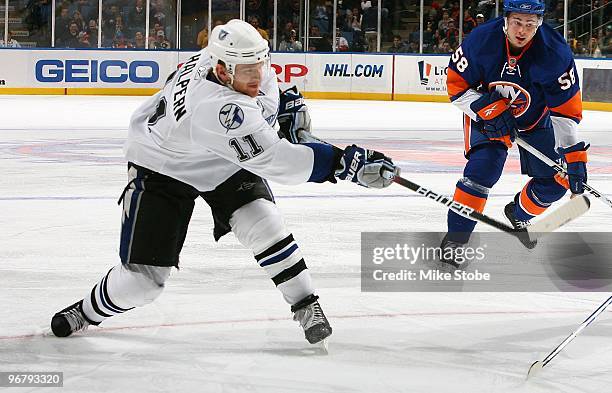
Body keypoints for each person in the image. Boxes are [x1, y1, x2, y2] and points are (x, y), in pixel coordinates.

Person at [50, 19, 399, 346]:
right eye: (248, 70)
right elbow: (278, 161)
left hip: (218, 157)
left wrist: (285, 104)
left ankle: (305, 303)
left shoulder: (232, 61)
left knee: (264, 223)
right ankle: (86, 311)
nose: (257, 74)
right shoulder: (213, 108)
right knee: (142, 284)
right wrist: (343, 163)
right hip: (161, 165)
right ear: (221, 70)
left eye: (260, 65)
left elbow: (264, 83)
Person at [442, 0, 586, 266]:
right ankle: (455, 241)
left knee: (556, 183)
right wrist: (487, 110)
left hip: (536, 119)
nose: (522, 29)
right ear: (506, 20)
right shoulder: (481, 40)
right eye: (517, 22)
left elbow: (565, 110)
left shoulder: (555, 53)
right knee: (482, 172)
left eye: (530, 24)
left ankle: (518, 213)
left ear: (540, 23)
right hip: (488, 116)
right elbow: (456, 86)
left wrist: (573, 155)